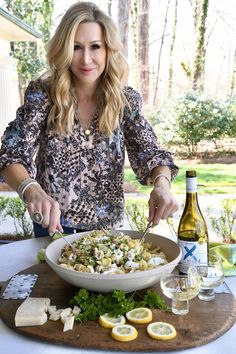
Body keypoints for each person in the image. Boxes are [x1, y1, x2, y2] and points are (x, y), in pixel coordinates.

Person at [0, 1, 178, 237]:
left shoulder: (124, 101)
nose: (85, 59)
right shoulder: (43, 95)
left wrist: (162, 186)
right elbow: (11, 155)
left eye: (95, 46)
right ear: (63, 49)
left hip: (107, 234)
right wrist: (30, 189)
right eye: (76, 47)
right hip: (53, 228)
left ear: (108, 50)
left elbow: (151, 154)